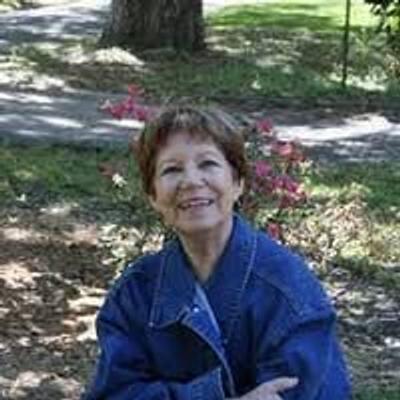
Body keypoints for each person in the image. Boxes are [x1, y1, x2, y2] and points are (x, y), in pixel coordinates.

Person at [84, 105, 351, 399]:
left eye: (208, 164)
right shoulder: (134, 293)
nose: (191, 181)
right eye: (172, 170)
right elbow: (113, 392)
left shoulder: (288, 290)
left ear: (238, 182)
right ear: (153, 197)